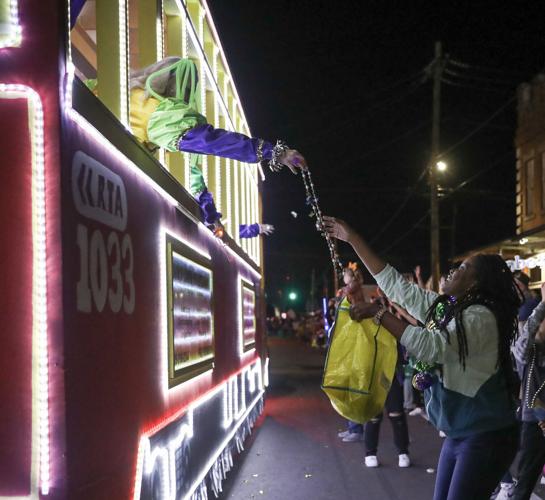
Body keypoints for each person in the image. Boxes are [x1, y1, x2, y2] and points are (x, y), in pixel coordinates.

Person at [323, 216, 521, 499]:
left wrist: (379, 314)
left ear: (475, 282)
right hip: (459, 432)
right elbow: (398, 289)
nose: (452, 271)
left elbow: (430, 346)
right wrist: (352, 238)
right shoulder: (447, 309)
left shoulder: (481, 318)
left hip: (486, 434)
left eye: (462, 268)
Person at [129, 57, 307, 228]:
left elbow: (192, 172)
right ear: (175, 85)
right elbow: (214, 141)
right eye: (188, 88)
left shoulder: (130, 93)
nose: (187, 96)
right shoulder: (160, 114)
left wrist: (210, 214)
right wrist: (275, 152)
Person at [509, 284, 545, 500]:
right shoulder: (530, 351)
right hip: (535, 421)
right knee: (525, 482)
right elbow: (521, 344)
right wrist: (543, 304)